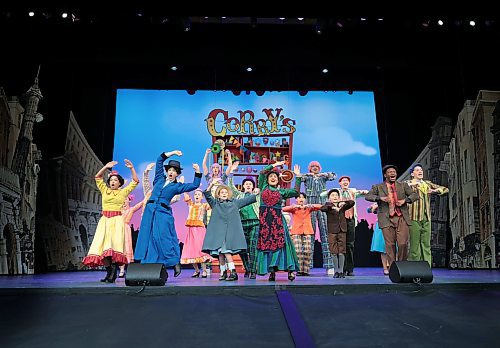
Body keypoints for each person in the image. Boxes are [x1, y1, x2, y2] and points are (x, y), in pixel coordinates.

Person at [135, 150, 202, 279]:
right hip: (150, 211)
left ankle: (174, 261)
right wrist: (172, 153)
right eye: (170, 169)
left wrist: (197, 171)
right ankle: (151, 265)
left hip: (163, 212)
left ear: (177, 173)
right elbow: (159, 160)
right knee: (150, 237)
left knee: (164, 237)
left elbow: (195, 185)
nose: (171, 172)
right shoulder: (159, 179)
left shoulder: (177, 186)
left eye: (174, 170)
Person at [82, 159, 139, 283]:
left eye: (115, 180)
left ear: (120, 183)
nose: (113, 182)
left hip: (117, 221)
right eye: (111, 180)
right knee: (103, 248)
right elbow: (97, 177)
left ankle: (113, 272)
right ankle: (110, 272)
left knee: (113, 247)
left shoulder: (123, 192)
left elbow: (135, 181)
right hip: (105, 221)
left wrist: (132, 168)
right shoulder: (104, 190)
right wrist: (105, 167)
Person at [255, 161, 302, 281]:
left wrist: (298, 177)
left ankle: (290, 271)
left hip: (277, 222)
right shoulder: (263, 187)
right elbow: (262, 172)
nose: (272, 178)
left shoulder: (282, 192)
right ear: (267, 179)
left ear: (278, 180)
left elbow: (295, 192)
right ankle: (272, 271)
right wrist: (275, 165)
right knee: (267, 247)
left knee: (283, 245)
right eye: (270, 176)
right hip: (265, 223)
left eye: (275, 177)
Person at [365, 165, 419, 267]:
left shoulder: (403, 185)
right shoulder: (378, 187)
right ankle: (393, 268)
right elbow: (368, 196)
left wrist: (405, 200)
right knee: (390, 245)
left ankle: (402, 266)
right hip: (386, 218)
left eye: (394, 171)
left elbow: (415, 195)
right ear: (385, 175)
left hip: (401, 217)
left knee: (403, 243)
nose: (393, 173)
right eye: (390, 172)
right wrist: (380, 198)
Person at [202, 182, 257, 281]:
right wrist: (210, 185)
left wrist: (256, 194)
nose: (224, 194)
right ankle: (223, 272)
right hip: (218, 234)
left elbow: (248, 200)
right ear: (218, 194)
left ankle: (233, 271)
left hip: (228, 234)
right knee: (220, 254)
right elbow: (207, 194)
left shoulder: (235, 203)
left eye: (226, 192)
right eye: (222, 192)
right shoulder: (215, 204)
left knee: (226, 252)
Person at [406, 163, 449, 266]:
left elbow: (445, 189)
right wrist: (412, 185)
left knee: (426, 243)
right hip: (414, 217)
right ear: (412, 174)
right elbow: (399, 189)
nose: (420, 171)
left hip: (427, 218)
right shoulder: (408, 183)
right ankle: (414, 267)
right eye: (417, 170)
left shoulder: (427, 184)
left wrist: (435, 191)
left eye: (421, 170)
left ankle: (427, 267)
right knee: (414, 244)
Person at [299, 161, 337, 275]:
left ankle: (329, 265)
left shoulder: (322, 177)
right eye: (313, 167)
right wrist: (302, 174)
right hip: (310, 206)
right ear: (310, 169)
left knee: (325, 234)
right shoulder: (307, 177)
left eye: (317, 167)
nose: (315, 168)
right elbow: (299, 178)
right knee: (309, 235)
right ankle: (308, 265)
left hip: (322, 206)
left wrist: (324, 174)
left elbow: (334, 176)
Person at [227, 161, 261, 278]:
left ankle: (253, 270)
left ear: (253, 186)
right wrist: (232, 171)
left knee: (253, 247)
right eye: (246, 184)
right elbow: (230, 186)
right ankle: (247, 268)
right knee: (242, 248)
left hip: (255, 222)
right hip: (241, 224)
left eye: (250, 184)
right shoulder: (239, 195)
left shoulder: (256, 196)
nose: (248, 185)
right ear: (243, 185)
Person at [283, 193, 322, 276]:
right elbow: (283, 209)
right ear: (296, 199)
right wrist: (294, 206)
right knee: (298, 251)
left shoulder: (308, 208)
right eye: (299, 197)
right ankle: (299, 270)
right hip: (296, 231)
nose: (301, 199)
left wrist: (310, 205)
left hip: (307, 231)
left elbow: (320, 206)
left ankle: (306, 270)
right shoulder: (294, 208)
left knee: (308, 251)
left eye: (303, 197)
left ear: (305, 199)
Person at [320, 189, 355, 278]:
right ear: (329, 198)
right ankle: (336, 271)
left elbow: (352, 202)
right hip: (332, 231)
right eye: (332, 195)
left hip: (342, 230)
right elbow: (322, 208)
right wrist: (332, 207)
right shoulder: (328, 206)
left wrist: (342, 202)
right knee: (334, 251)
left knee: (342, 251)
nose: (335, 196)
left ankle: (341, 271)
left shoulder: (342, 206)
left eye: (336, 195)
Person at [180, 190, 212, 277]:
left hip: (200, 229)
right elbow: (186, 197)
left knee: (201, 249)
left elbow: (212, 203)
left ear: (202, 197)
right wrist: (183, 186)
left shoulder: (204, 205)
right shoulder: (191, 204)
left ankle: (204, 270)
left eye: (199, 194)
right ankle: (197, 270)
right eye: (195, 194)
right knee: (191, 249)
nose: (197, 196)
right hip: (191, 230)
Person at [118, 194, 145, 278]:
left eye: (125, 199)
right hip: (117, 230)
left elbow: (140, 204)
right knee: (119, 249)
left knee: (126, 248)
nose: (124, 202)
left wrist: (148, 196)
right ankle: (121, 270)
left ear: (129, 200)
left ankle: (127, 270)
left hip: (125, 230)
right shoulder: (117, 211)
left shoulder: (131, 210)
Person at [367, 203, 390, 275]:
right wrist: (374, 207)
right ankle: (385, 268)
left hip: (392, 223)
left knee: (393, 247)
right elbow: (369, 210)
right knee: (383, 248)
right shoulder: (379, 200)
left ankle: (391, 266)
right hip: (381, 224)